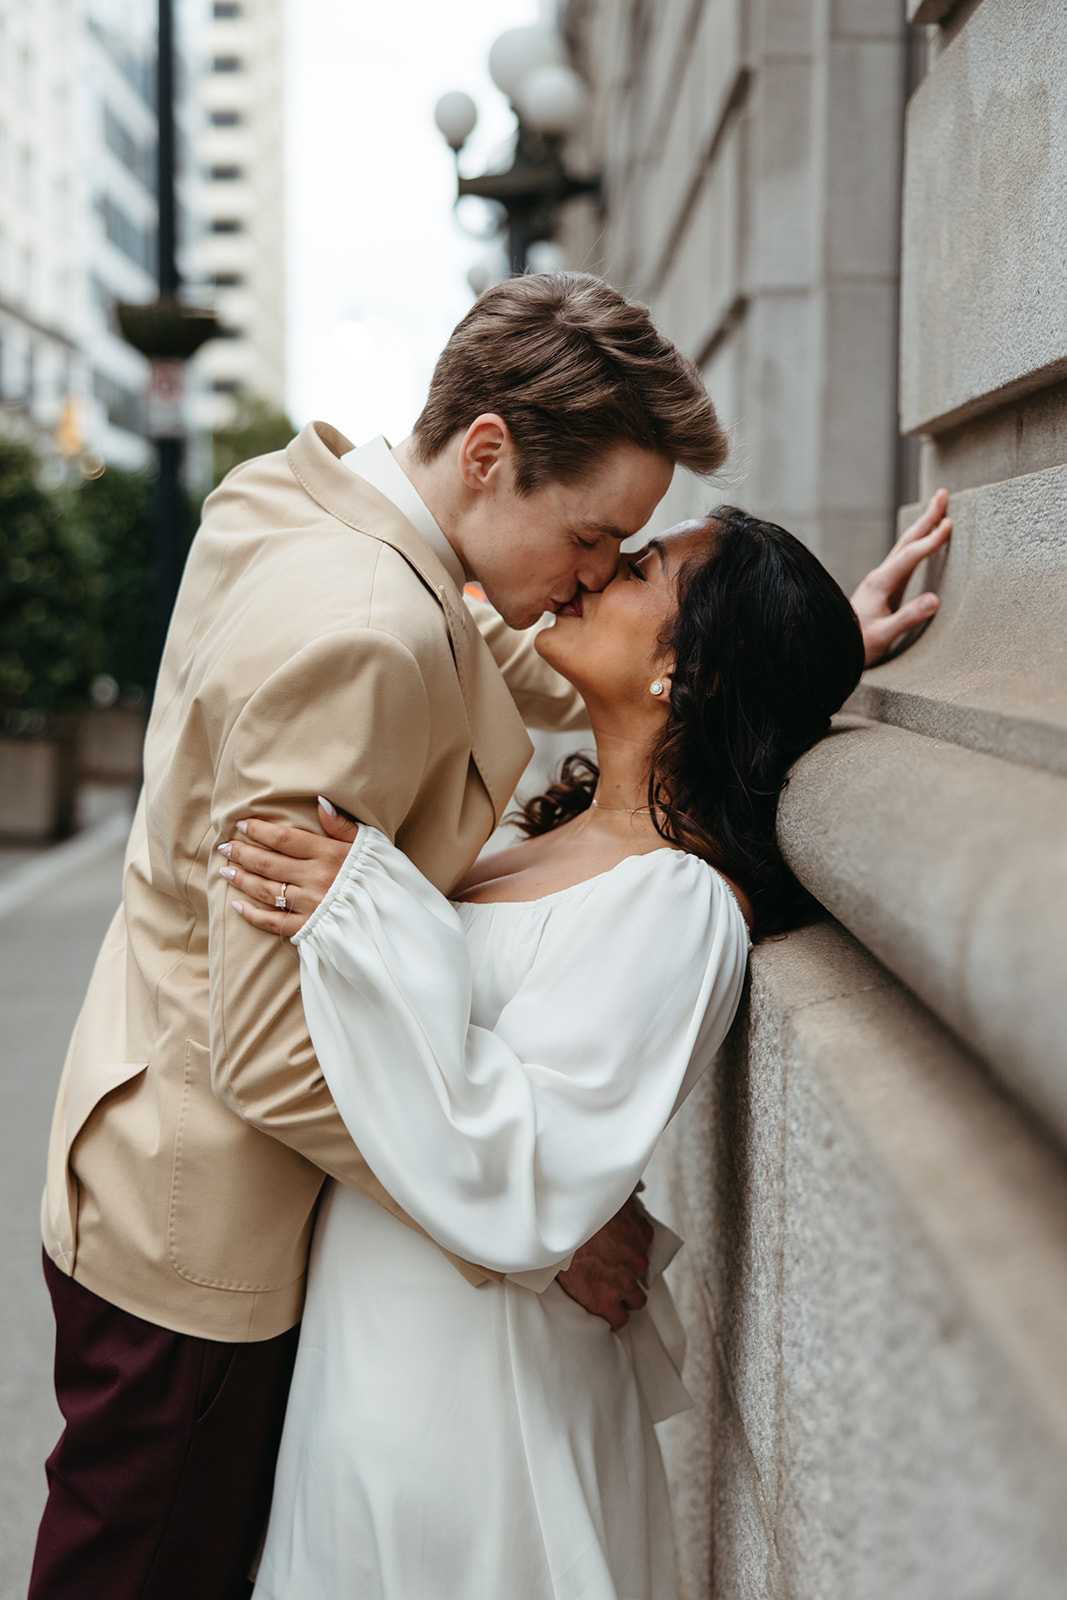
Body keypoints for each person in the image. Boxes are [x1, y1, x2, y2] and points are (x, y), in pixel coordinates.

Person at [30, 271, 949, 1600]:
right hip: (203, 1216)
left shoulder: (291, 502)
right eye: (595, 537)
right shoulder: (367, 632)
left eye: (626, 558)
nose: (588, 573)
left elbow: (475, 645)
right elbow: (270, 1050)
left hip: (159, 1152)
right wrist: (544, 1228)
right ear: (485, 455)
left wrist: (794, 655)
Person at [214, 506, 866, 1599]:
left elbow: (527, 1172)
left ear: (691, 672)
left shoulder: (680, 903)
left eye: (641, 567)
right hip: (367, 1338)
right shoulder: (531, 835)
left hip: (469, 1387)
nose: (597, 571)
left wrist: (365, 908)